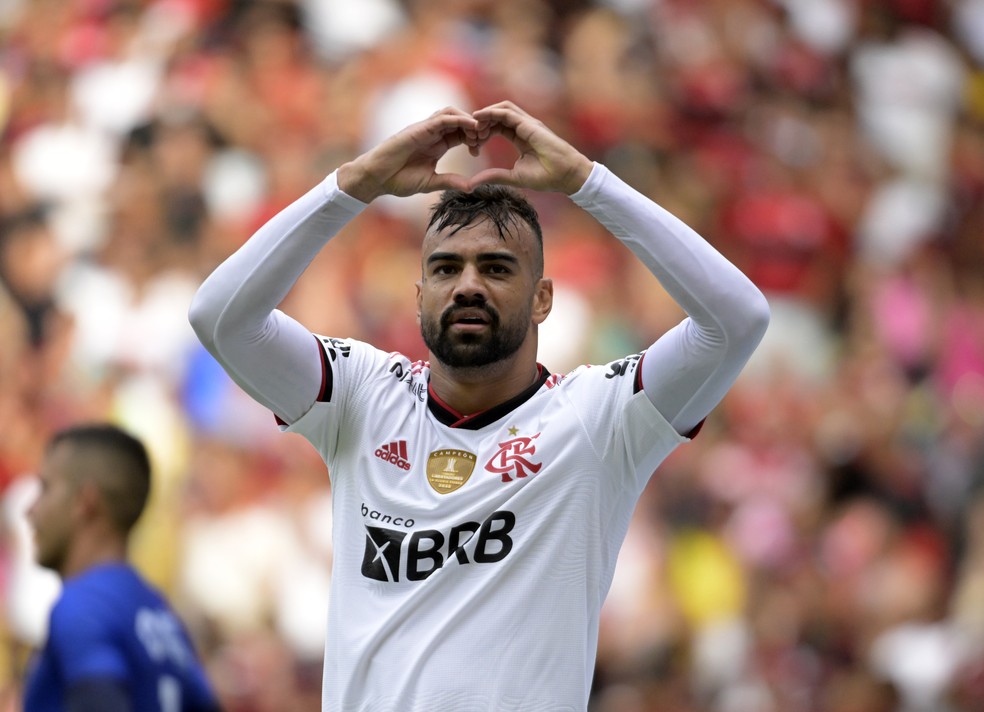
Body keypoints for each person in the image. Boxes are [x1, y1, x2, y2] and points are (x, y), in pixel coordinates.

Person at [189, 101, 771, 711]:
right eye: (446, 268)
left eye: (496, 268)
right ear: (418, 298)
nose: (468, 284)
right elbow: (222, 320)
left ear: (543, 298)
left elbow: (737, 320)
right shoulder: (362, 395)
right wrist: (357, 183)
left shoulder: (599, 419)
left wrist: (585, 182)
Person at [23, 424, 221, 712]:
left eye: (45, 488)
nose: (30, 510)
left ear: (85, 501)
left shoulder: (82, 606)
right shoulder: (162, 615)